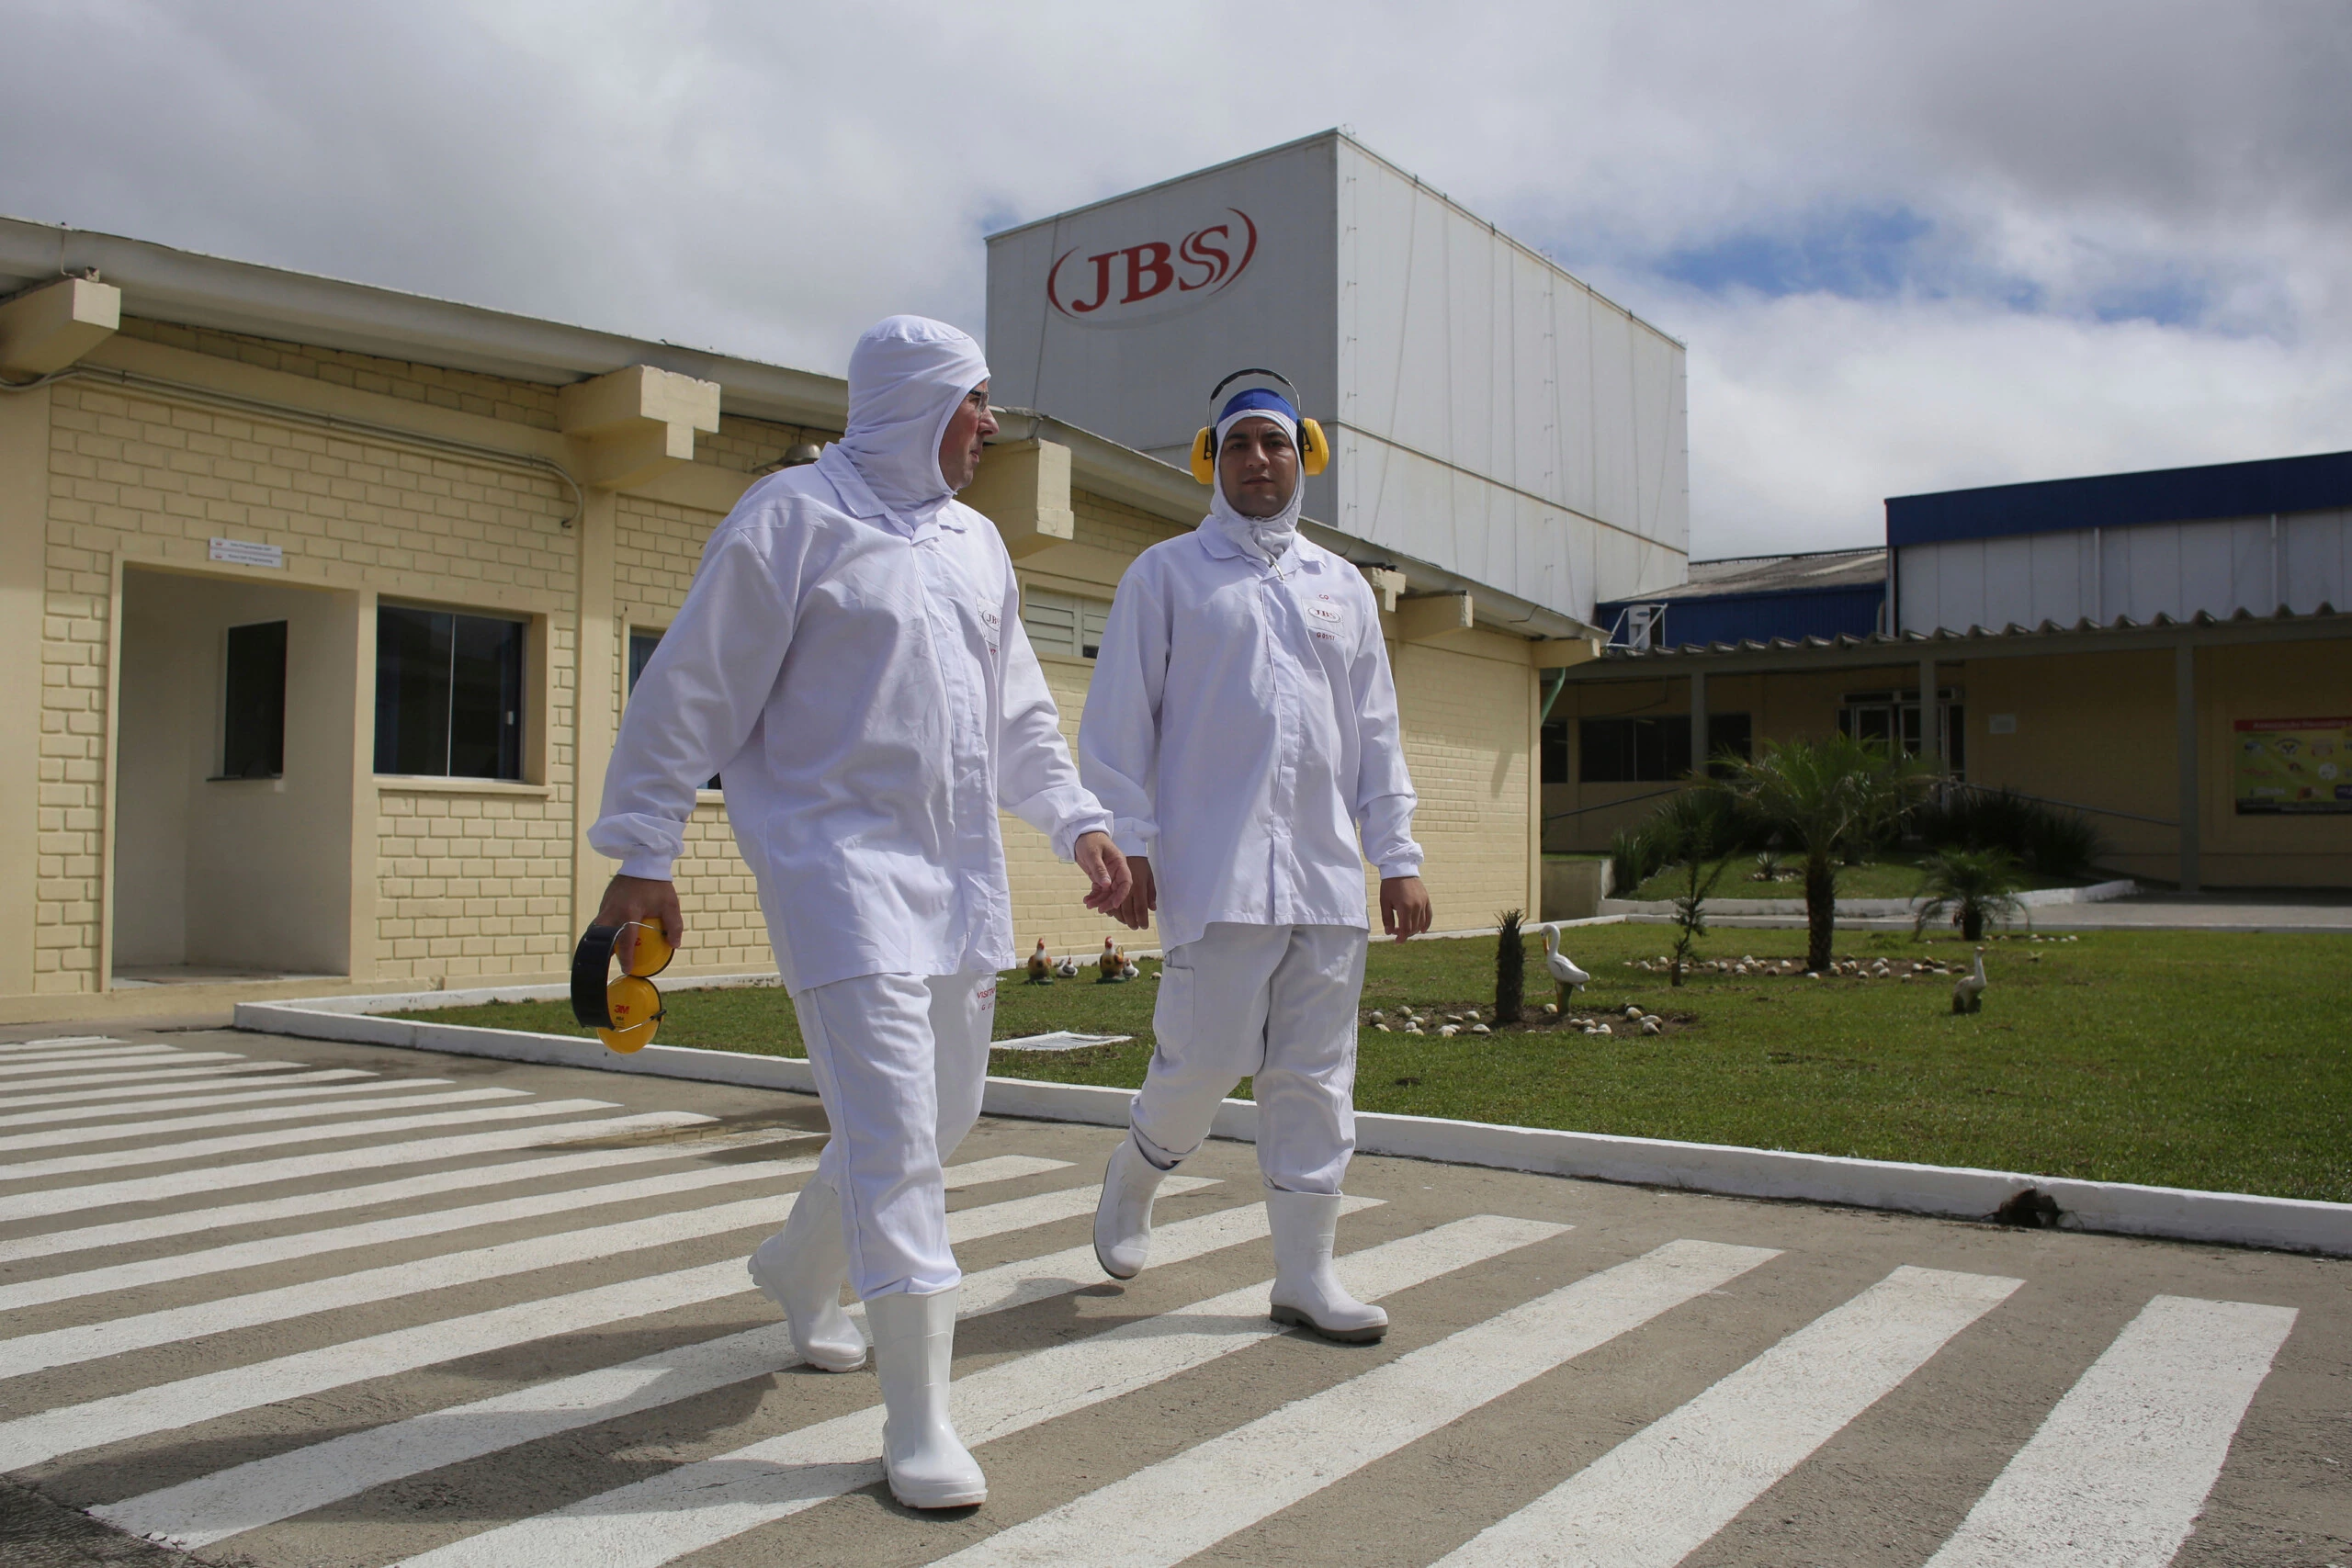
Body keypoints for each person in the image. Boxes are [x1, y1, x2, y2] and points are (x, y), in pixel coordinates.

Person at [588, 315, 1129, 1510]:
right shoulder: (789, 520)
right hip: (835, 874)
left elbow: (1019, 718)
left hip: (957, 876)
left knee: (942, 1111)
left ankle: (795, 1262)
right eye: (976, 399)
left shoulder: (980, 544)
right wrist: (642, 847)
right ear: (914, 399)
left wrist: (1077, 820)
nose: (992, 424)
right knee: (892, 1138)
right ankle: (920, 1418)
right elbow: (690, 689)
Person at [1079, 370, 1430, 1343]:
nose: (1258, 462)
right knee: (1201, 1067)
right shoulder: (1166, 576)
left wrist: (1394, 855)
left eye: (1274, 444)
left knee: (1315, 1081)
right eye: (1239, 446)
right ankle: (1137, 1174)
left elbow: (1374, 734)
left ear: (1303, 454)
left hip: (1323, 883)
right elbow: (1117, 729)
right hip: (1215, 875)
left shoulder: (1341, 587)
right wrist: (1132, 844)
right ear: (1212, 461)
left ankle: (1305, 1276)